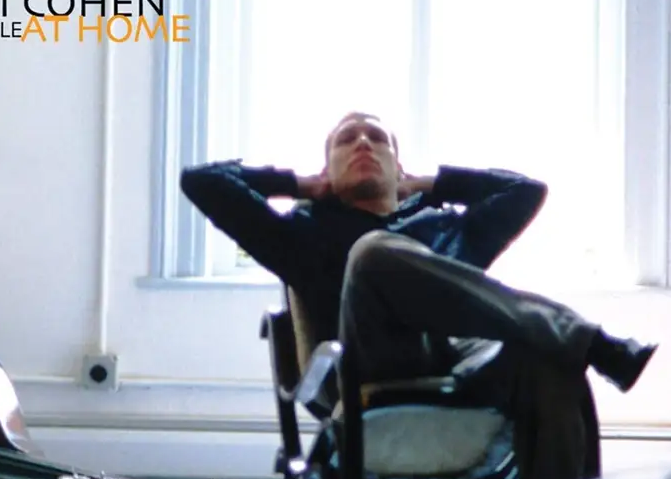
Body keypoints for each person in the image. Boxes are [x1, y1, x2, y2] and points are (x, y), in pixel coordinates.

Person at [179, 111, 658, 397]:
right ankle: (593, 341)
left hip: (455, 357)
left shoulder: (449, 228)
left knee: (551, 368)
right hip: (366, 361)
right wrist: (298, 184)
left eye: (378, 140)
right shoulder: (300, 234)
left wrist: (431, 184)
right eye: (346, 140)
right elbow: (200, 181)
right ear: (326, 171)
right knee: (372, 253)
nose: (363, 142)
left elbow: (527, 190)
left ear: (399, 168)